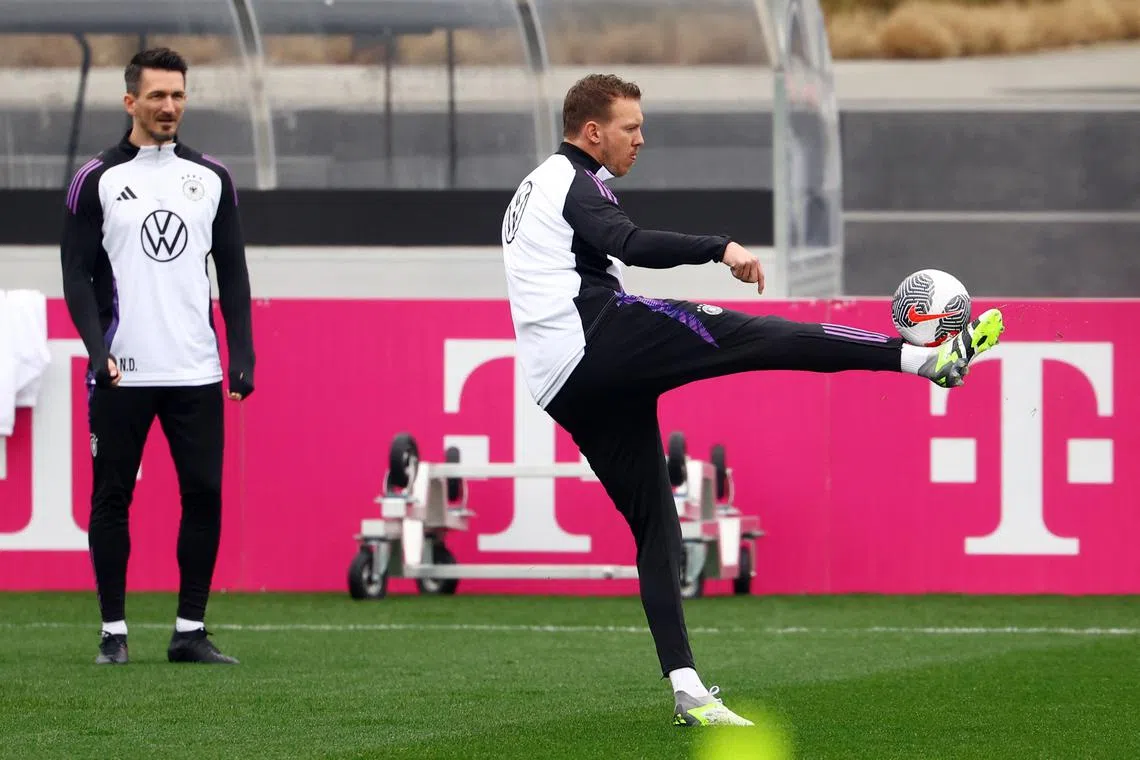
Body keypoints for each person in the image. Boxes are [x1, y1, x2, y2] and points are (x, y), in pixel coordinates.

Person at [500, 74, 1004, 726]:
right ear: (592, 131)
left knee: (658, 528)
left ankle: (687, 689)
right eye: (631, 127)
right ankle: (924, 358)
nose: (641, 139)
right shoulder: (574, 180)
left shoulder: (536, 186)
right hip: (599, 340)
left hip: (560, 382)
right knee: (757, 335)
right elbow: (629, 244)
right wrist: (720, 248)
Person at [60, 47, 255, 665]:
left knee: (204, 495)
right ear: (130, 102)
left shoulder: (212, 178)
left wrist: (242, 352)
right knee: (112, 498)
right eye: (157, 96)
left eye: (178, 96)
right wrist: (98, 352)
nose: (169, 107)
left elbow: (234, 272)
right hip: (122, 373)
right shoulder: (96, 179)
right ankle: (113, 633)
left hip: (196, 370)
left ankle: (189, 631)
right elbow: (75, 275)